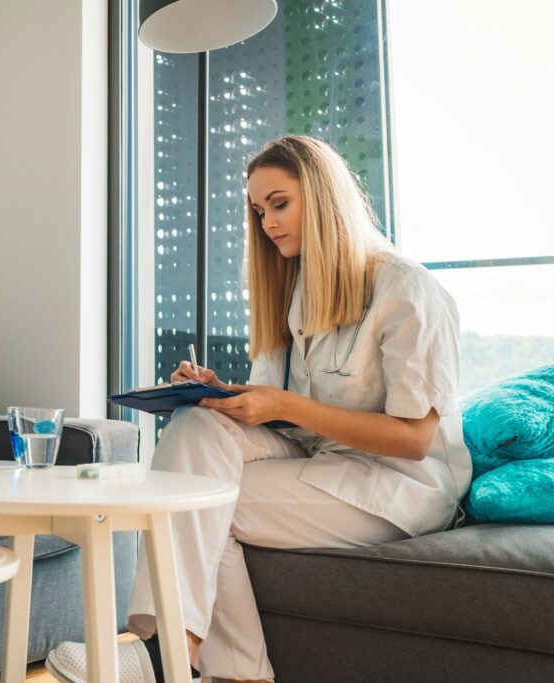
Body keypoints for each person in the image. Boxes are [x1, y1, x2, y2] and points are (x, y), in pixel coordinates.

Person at [46, 135, 471, 683]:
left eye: (279, 203)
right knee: (196, 425)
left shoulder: (407, 290)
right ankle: (179, 658)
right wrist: (224, 394)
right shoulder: (296, 289)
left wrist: (286, 403)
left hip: (398, 484)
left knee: (197, 500)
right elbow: (280, 412)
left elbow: (414, 439)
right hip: (317, 460)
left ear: (323, 197)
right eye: (258, 209)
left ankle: (172, 659)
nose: (267, 222)